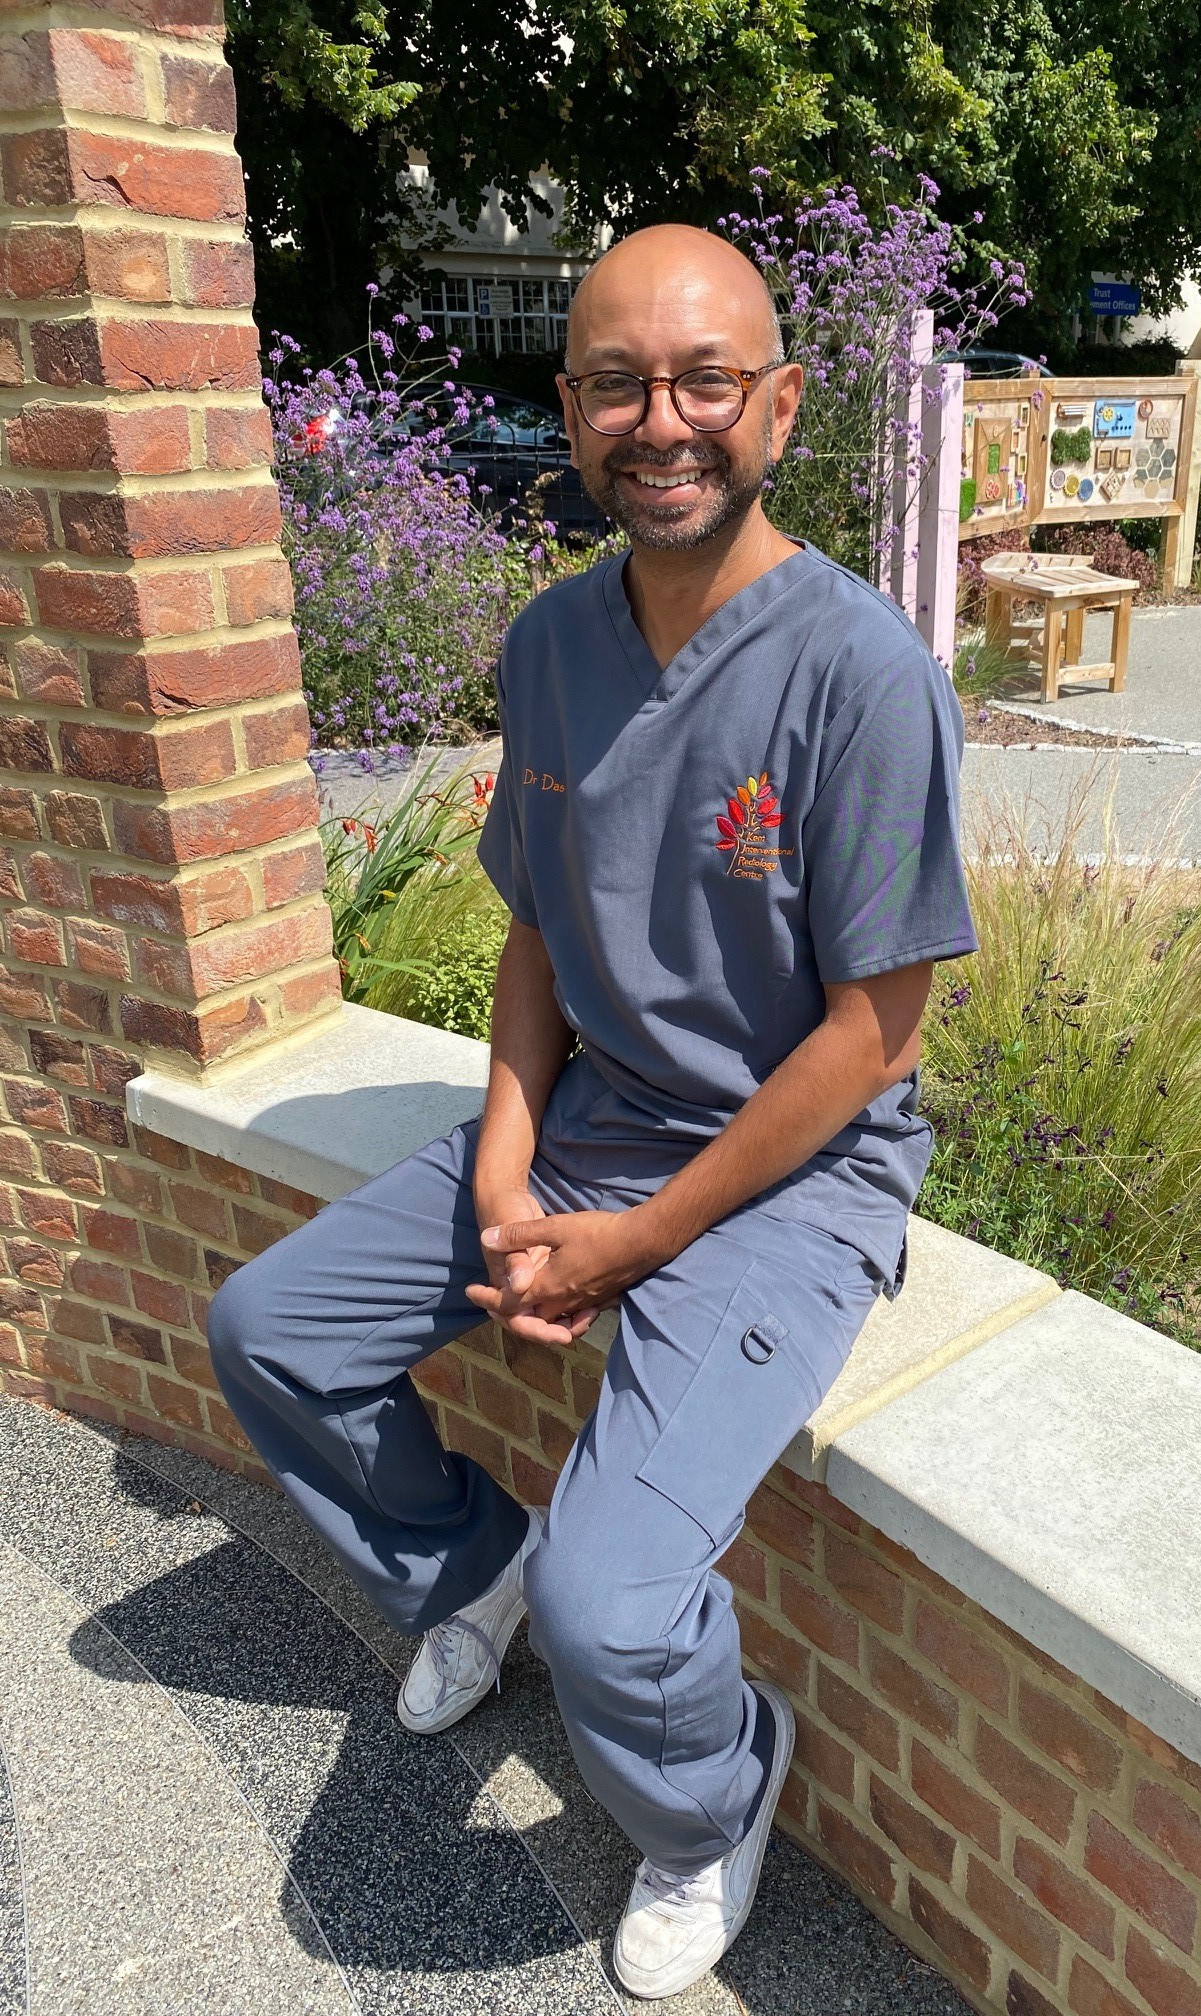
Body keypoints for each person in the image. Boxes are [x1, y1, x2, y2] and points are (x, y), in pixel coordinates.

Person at [208, 224, 976, 2000]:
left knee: (617, 1607)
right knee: (272, 1330)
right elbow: (543, 925)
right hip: (588, 1124)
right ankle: (462, 1566)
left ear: (780, 406)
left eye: (707, 380)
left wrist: (636, 1240)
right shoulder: (552, 642)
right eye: (620, 382)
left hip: (799, 1175)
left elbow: (872, 1033)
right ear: (567, 410)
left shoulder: (859, 675)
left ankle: (712, 1803)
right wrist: (500, 1148)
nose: (665, 420)